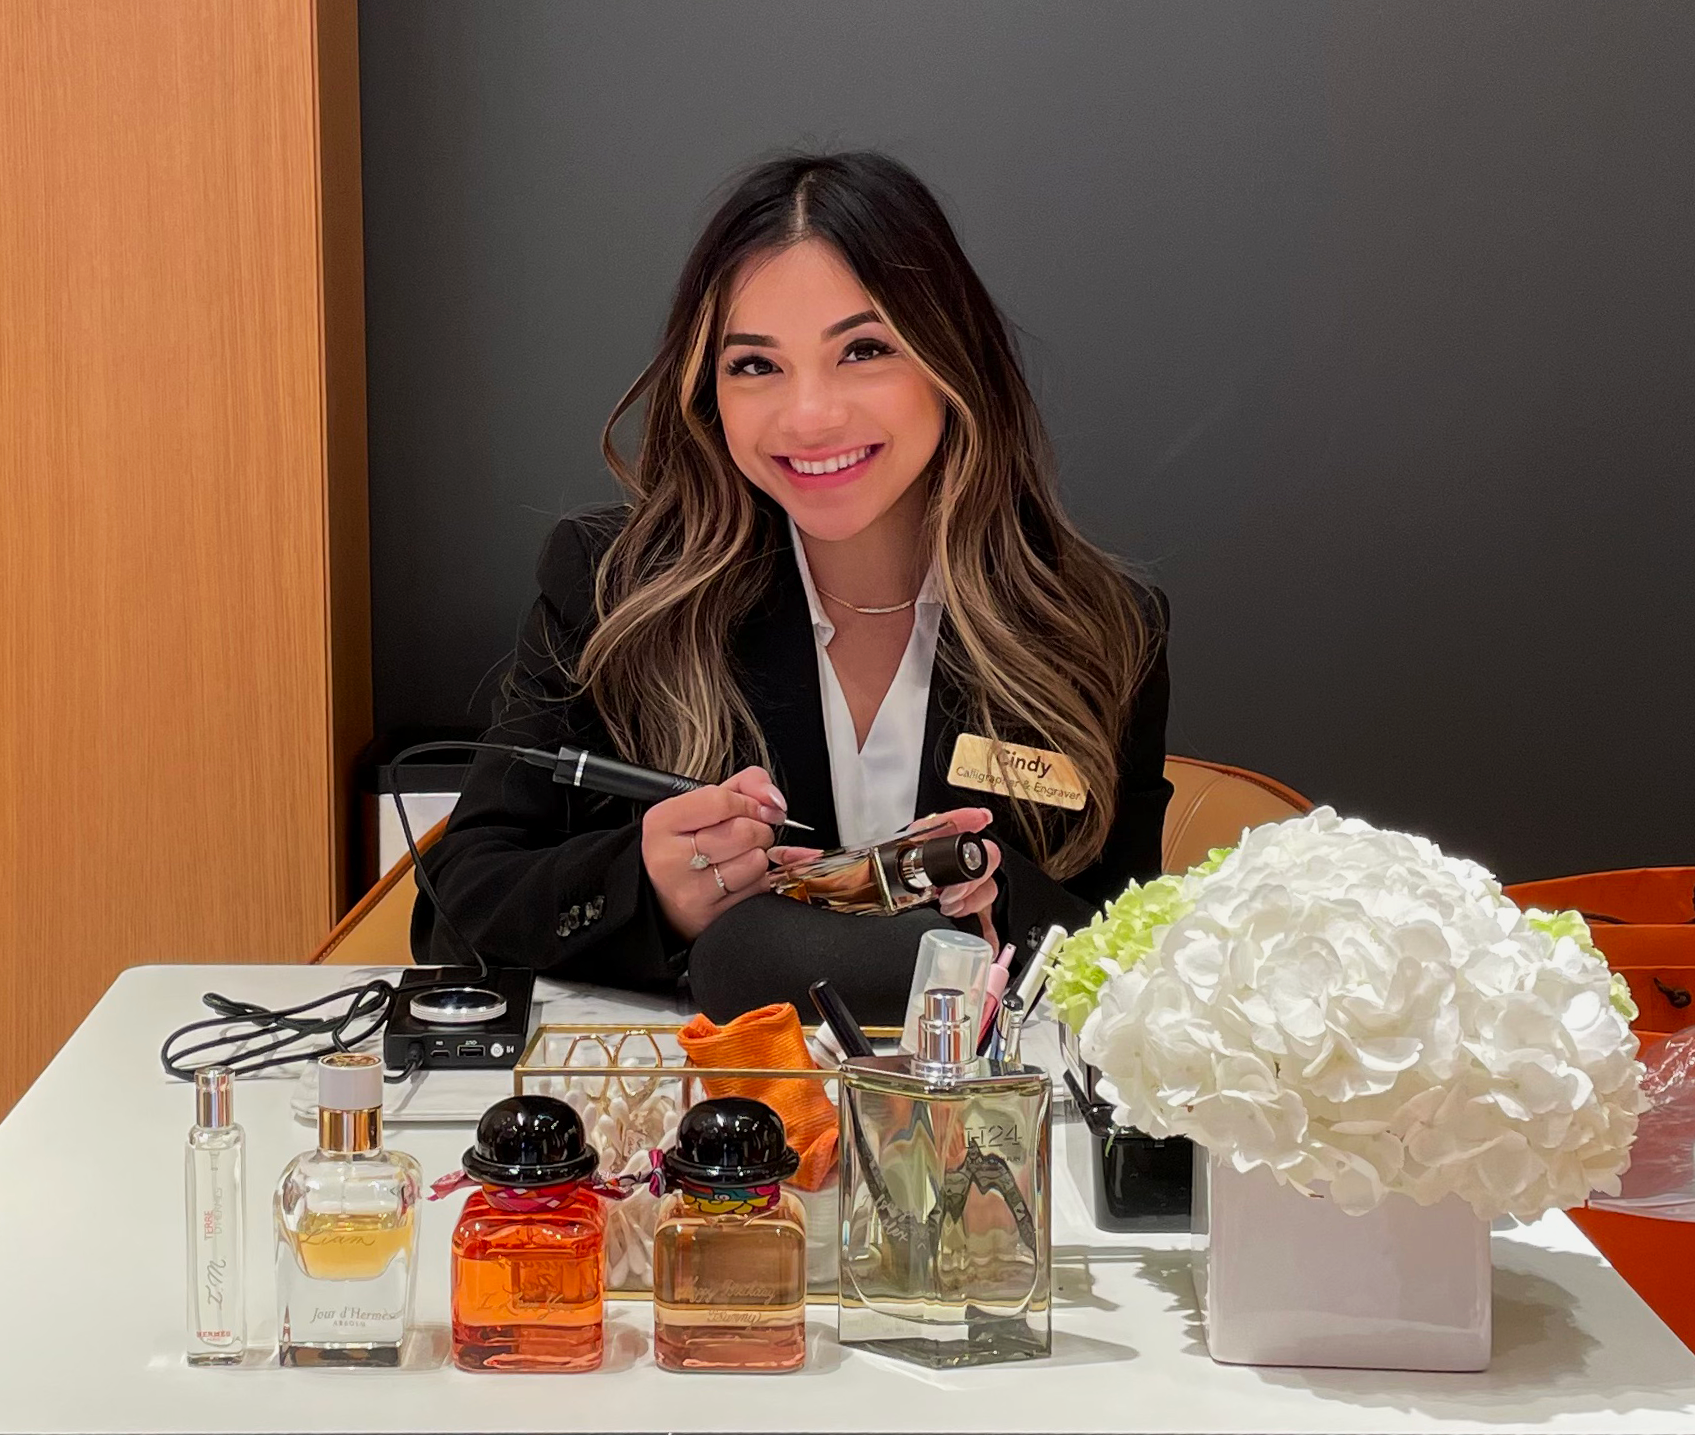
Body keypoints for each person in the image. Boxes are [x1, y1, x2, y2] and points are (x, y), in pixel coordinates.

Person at [412, 151, 1172, 1023]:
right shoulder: (613, 586)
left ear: (950, 363)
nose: (809, 415)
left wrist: (1002, 908)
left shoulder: (1096, 628)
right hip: (701, 1128)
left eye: (864, 349)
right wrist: (645, 891)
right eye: (755, 365)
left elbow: (1134, 951)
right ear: (709, 392)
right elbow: (451, 912)